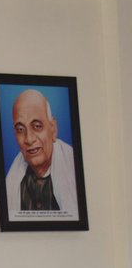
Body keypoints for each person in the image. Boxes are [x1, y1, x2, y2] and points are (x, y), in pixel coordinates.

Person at [4, 88, 79, 218]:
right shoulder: (13, 182)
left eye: (37, 126)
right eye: (20, 129)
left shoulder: (74, 168)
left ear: (53, 129)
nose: (29, 139)